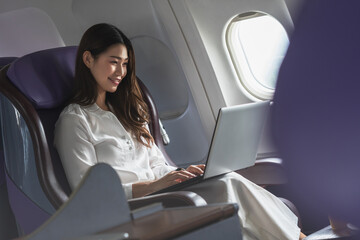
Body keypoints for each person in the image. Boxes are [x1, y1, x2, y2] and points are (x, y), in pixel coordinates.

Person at [54, 23, 305, 240]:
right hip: (129, 207)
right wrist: (153, 186)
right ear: (88, 59)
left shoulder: (130, 111)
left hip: (163, 194)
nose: (121, 72)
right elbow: (86, 194)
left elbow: (157, 164)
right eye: (113, 62)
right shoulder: (75, 120)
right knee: (228, 185)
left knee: (226, 179)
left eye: (125, 64)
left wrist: (181, 175)